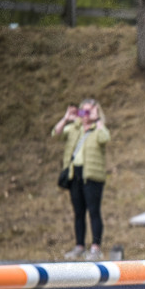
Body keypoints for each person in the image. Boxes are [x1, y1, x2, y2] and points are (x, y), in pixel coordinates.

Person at [52, 100, 110, 261]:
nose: (85, 116)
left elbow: (105, 138)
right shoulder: (74, 129)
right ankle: (79, 246)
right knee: (78, 213)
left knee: (94, 211)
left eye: (88, 112)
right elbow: (56, 133)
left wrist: (97, 120)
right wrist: (66, 117)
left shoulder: (97, 130)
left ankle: (96, 247)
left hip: (92, 176)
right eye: (82, 112)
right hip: (74, 175)